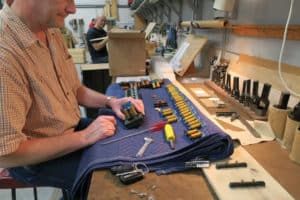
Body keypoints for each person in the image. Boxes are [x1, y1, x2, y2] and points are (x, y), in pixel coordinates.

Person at [0, 0, 144, 199]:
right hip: (33, 160)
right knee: (114, 185)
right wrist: (85, 137)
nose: (72, 9)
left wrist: (111, 101)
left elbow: (75, 89)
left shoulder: (52, 31)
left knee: (127, 141)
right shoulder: (4, 53)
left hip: (70, 129)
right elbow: (7, 153)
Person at [84, 15, 111, 118]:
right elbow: (97, 47)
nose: (103, 23)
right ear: (95, 20)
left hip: (105, 57)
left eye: (104, 21)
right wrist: (108, 37)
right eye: (101, 21)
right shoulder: (92, 32)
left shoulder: (102, 31)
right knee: (116, 59)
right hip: (98, 59)